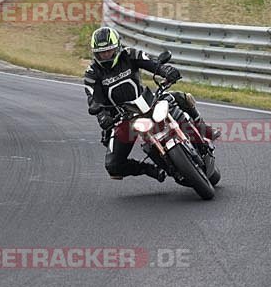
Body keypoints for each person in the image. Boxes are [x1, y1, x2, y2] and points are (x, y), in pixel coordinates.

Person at [83, 26, 219, 182]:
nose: (105, 55)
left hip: (147, 102)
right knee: (112, 165)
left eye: (109, 51)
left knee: (178, 97)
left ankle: (204, 129)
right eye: (101, 53)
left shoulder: (130, 54)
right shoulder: (92, 73)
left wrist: (165, 70)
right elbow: (92, 98)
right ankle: (151, 170)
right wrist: (101, 115)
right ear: (95, 53)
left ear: (117, 47)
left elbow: (152, 64)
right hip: (122, 118)